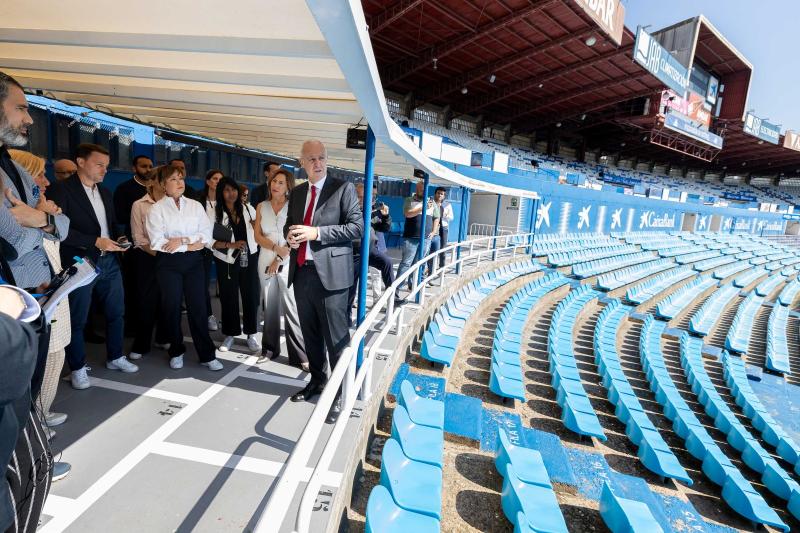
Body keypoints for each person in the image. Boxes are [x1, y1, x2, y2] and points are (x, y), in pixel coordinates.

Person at [48, 143, 138, 389]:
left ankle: (115, 357)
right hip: (80, 263)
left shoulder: (105, 192)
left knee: (116, 312)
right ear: (80, 162)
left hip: (109, 260)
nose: (104, 170)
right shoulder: (61, 190)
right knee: (78, 318)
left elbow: (111, 224)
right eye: (99, 165)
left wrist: (119, 238)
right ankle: (77, 368)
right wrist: (95, 241)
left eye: (106, 166)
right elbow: (57, 230)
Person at [284, 140, 362, 424]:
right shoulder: (297, 192)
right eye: (312, 159)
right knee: (311, 335)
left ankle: (340, 393)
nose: (317, 163)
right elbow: (290, 224)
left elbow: (356, 228)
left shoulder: (343, 188)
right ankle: (317, 381)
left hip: (332, 277)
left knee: (336, 339)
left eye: (322, 158)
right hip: (302, 272)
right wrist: (289, 237)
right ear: (302, 163)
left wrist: (316, 233)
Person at [7, 150, 72, 482]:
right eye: (39, 175)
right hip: (31, 298)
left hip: (50, 294)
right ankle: (32, 452)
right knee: (32, 372)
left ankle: (40, 418)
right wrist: (43, 221)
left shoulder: (41, 208)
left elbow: (63, 230)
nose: (45, 182)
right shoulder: (17, 213)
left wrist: (42, 217)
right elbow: (20, 246)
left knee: (54, 356)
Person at [146, 164, 223, 371]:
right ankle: (176, 351)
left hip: (193, 263)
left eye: (181, 178)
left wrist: (182, 241)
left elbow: (205, 235)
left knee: (198, 307)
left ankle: (207, 355)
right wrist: (191, 243)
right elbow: (157, 242)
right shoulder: (156, 209)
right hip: (168, 264)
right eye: (173, 179)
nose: (179, 182)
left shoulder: (195, 206)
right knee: (171, 308)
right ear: (163, 184)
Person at [253, 168, 307, 370]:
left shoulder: (295, 206)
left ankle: (299, 355)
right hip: (265, 259)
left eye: (281, 182)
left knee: (291, 307)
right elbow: (257, 236)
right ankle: (269, 349)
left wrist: (279, 258)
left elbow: (296, 238)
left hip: (288, 259)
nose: (275, 185)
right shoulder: (261, 206)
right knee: (270, 305)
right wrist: (275, 250)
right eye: (274, 181)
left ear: (288, 187)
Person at [211, 176, 261, 353]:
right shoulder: (215, 212)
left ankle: (251, 333)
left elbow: (260, 233)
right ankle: (230, 334)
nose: (231, 193)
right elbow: (208, 240)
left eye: (233, 190)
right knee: (228, 296)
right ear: (221, 192)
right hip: (226, 260)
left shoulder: (248, 208)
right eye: (226, 190)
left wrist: (257, 226)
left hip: (249, 257)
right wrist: (230, 245)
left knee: (251, 296)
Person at [128, 172, 171, 359]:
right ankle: (141, 344)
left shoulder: (174, 203)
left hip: (171, 258)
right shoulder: (139, 204)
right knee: (146, 302)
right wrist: (159, 254)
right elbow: (137, 237)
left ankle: (163, 337)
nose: (167, 183)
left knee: (168, 299)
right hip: (147, 257)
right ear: (152, 182)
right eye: (164, 179)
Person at [113, 155, 154, 337]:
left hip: (157, 247)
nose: (148, 169)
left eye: (150, 166)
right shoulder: (124, 189)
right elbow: (118, 217)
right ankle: (132, 327)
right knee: (134, 287)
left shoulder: (156, 188)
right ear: (134, 168)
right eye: (144, 166)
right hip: (135, 246)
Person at [348, 183, 394, 321]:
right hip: (354, 251)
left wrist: (386, 216)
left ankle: (393, 297)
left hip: (370, 248)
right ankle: (347, 317)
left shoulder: (372, 210)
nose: (362, 200)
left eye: (366, 197)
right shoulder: (349, 208)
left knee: (387, 262)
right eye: (359, 196)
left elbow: (384, 228)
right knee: (352, 285)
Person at [395, 180, 439, 295]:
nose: (422, 190)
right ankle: (396, 289)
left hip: (425, 238)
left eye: (424, 189)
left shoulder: (432, 202)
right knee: (406, 263)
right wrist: (422, 208)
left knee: (419, 263)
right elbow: (407, 213)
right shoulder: (409, 200)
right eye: (420, 188)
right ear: (416, 189)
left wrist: (434, 231)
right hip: (410, 237)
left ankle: (413, 286)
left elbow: (436, 217)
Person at [199, 169, 223, 331]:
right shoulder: (197, 200)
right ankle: (208, 315)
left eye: (221, 179)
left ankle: (228, 320)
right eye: (215, 179)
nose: (218, 182)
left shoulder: (226, 200)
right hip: (204, 246)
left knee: (227, 284)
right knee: (204, 283)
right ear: (208, 181)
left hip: (223, 245)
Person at [434, 187, 454, 268]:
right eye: (438, 193)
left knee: (443, 248)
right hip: (433, 228)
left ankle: (441, 267)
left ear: (444, 196)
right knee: (432, 248)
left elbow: (451, 217)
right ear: (435, 194)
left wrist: (444, 215)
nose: (440, 195)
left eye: (441, 194)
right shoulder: (431, 203)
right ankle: (430, 268)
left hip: (444, 228)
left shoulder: (447, 204)